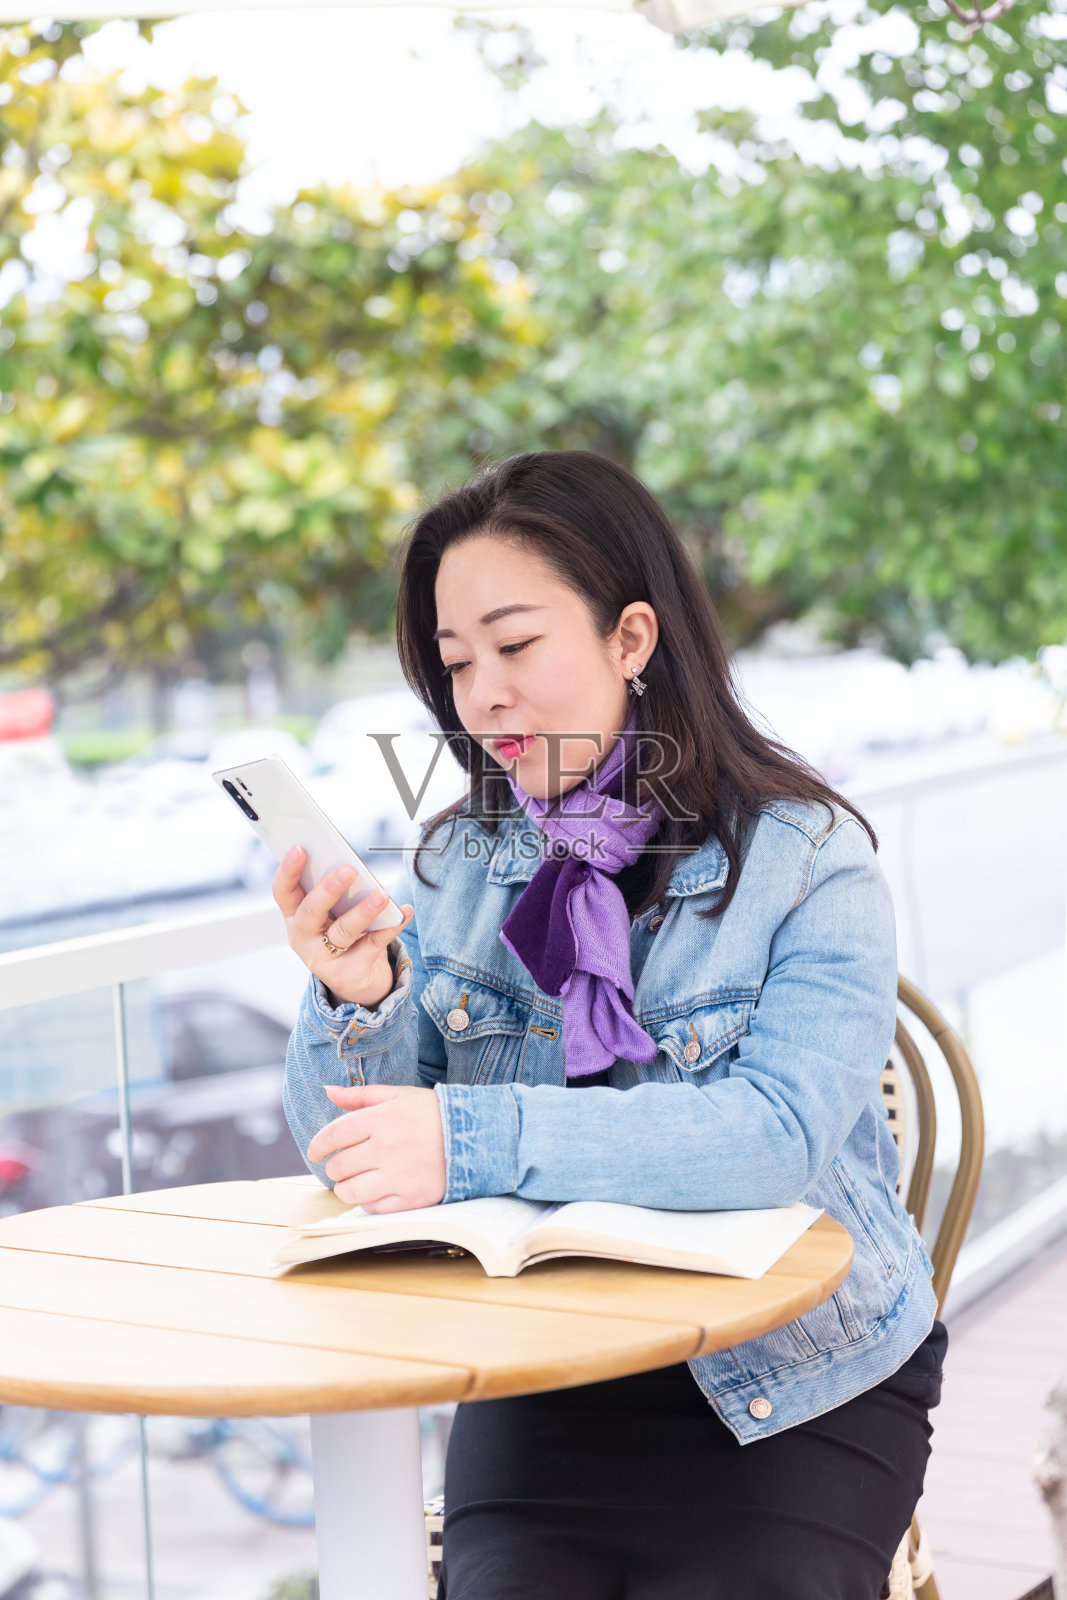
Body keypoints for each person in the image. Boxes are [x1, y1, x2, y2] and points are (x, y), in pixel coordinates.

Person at [277, 450, 946, 1600]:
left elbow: (771, 1137)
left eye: (516, 644)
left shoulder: (806, 858)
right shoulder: (460, 860)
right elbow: (343, 1150)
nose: (481, 695)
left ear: (629, 638)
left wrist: (470, 1138)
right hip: (551, 1368)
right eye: (453, 663)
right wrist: (360, 996)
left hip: (794, 1369)